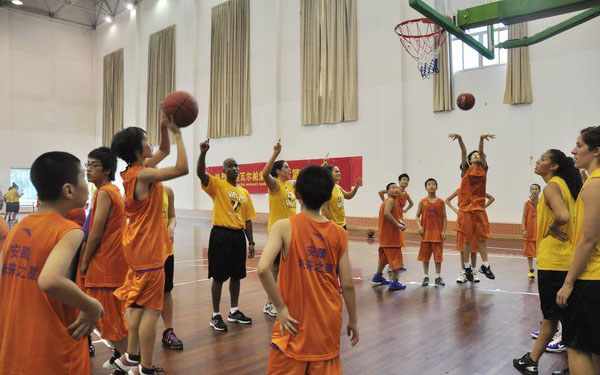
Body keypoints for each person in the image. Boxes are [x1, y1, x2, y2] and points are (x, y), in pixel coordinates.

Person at [0, 152, 103, 375]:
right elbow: (49, 280)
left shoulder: (18, 227)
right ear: (68, 190)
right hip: (53, 354)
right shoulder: (69, 231)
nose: (87, 183)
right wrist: (91, 306)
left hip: (13, 348)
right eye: (83, 177)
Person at [258, 165, 358, 375]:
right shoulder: (340, 234)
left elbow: (263, 269)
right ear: (329, 196)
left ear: (296, 194)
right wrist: (354, 320)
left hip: (292, 322)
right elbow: (347, 285)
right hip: (327, 323)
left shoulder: (284, 226)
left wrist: (281, 309)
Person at [110, 111, 188, 375]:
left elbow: (164, 149)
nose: (149, 142)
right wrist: (179, 134)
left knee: (138, 305)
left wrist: (165, 126)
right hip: (148, 249)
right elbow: (181, 168)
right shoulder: (143, 175)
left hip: (136, 247)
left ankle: (130, 358)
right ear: (135, 148)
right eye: (145, 139)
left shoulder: (134, 171)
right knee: (152, 310)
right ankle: (145, 367)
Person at [513, 149, 581, 375]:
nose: (537, 161)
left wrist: (552, 227)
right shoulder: (566, 185)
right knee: (558, 318)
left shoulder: (552, 186)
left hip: (555, 262)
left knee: (553, 316)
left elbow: (561, 216)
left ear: (553, 166)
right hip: (567, 259)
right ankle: (532, 359)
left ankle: (537, 361)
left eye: (543, 158)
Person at [78, 147, 130, 370]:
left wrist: (84, 261)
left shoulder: (104, 193)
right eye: (87, 165)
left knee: (108, 321)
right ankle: (123, 356)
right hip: (111, 265)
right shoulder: (112, 191)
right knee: (109, 318)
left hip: (104, 266)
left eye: (93, 165)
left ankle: (133, 363)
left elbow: (96, 232)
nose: (88, 170)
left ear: (107, 169)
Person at [197, 139, 256, 332]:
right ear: (224, 170)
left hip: (238, 237)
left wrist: (251, 242)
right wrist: (203, 153)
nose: (235, 168)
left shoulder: (244, 193)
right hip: (220, 235)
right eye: (230, 166)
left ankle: (234, 310)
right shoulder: (217, 185)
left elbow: (248, 220)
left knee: (236, 276)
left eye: (236, 165)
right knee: (219, 276)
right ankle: (215, 315)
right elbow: (200, 173)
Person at [556, 126, 600, 375]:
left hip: (591, 277)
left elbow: (589, 239)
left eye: (579, 145)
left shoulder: (595, 184)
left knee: (576, 347)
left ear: (596, 151)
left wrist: (569, 281)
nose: (573, 150)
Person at [449, 133, 496, 281]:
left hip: (479, 209)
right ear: (469, 160)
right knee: (467, 239)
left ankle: (485, 265)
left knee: (482, 238)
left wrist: (481, 138)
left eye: (478, 155)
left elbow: (482, 152)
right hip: (466, 210)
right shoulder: (465, 170)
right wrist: (460, 138)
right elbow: (463, 152)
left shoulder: (484, 169)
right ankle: (467, 267)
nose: (476, 155)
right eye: (473, 155)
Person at [261, 139, 297, 317]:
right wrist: (275, 154)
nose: (290, 169)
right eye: (286, 167)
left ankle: (282, 298)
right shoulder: (275, 185)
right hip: (276, 232)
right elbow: (264, 174)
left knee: (286, 268)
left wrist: (323, 167)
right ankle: (269, 303)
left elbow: (305, 179)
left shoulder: (289, 186)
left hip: (290, 232)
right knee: (274, 269)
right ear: (278, 171)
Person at [445, 188, 495, 283]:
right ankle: (463, 272)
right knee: (462, 249)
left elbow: (492, 198)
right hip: (462, 221)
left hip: (475, 222)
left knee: (474, 248)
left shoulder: (478, 188)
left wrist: (482, 207)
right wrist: (455, 209)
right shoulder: (460, 190)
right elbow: (447, 200)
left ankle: (474, 271)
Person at [371, 182, 407, 291]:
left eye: (397, 188)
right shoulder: (390, 200)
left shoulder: (388, 201)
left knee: (383, 258)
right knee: (395, 258)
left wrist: (399, 220)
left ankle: (378, 275)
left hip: (384, 236)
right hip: (391, 237)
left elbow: (390, 214)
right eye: (392, 188)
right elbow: (387, 213)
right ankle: (394, 282)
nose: (396, 189)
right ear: (387, 191)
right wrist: (397, 224)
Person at [160, 185, 183, 349]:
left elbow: (172, 216)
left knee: (166, 291)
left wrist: (171, 227)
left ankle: (168, 331)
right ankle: (136, 340)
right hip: (143, 253)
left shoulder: (167, 191)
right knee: (140, 297)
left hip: (166, 250)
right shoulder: (134, 189)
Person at [416, 178, 447, 287]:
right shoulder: (422, 202)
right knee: (425, 257)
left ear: (437, 187)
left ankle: (438, 277)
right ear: (425, 188)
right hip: (426, 234)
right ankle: (425, 276)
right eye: (429, 184)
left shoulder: (441, 202)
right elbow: (417, 216)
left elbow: (444, 217)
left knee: (438, 258)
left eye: (433, 184)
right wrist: (419, 226)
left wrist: (443, 230)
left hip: (437, 235)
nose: (431, 186)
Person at [322, 164, 361, 229]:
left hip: (342, 223)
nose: (339, 173)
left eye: (339, 171)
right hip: (332, 225)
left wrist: (356, 187)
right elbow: (325, 209)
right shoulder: (326, 189)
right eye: (336, 171)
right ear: (329, 174)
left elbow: (348, 196)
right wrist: (333, 224)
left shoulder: (337, 187)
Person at [522, 184, 541, 280]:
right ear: (530, 191)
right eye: (532, 189)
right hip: (530, 230)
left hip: (539, 231)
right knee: (529, 253)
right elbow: (524, 217)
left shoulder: (542, 202)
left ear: (539, 191)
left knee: (540, 252)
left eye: (536, 189)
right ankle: (531, 270)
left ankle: (541, 270)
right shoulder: (527, 203)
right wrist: (523, 229)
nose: (534, 190)